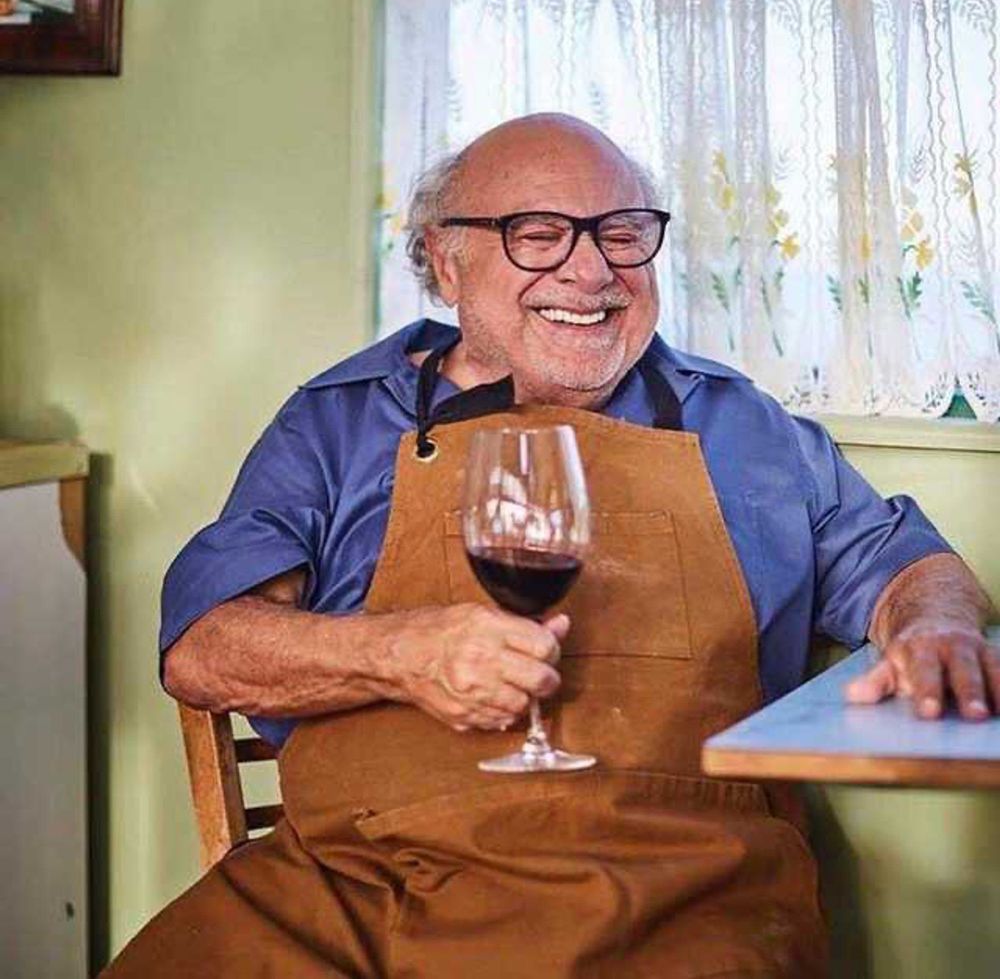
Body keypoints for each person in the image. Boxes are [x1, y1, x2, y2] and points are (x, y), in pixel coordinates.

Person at [105, 114, 995, 978]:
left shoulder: (742, 426)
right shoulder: (336, 425)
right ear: (447, 263)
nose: (591, 270)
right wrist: (400, 653)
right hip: (352, 887)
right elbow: (205, 648)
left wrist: (934, 629)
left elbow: (909, 566)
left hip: (667, 891)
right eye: (538, 235)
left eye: (622, 233)